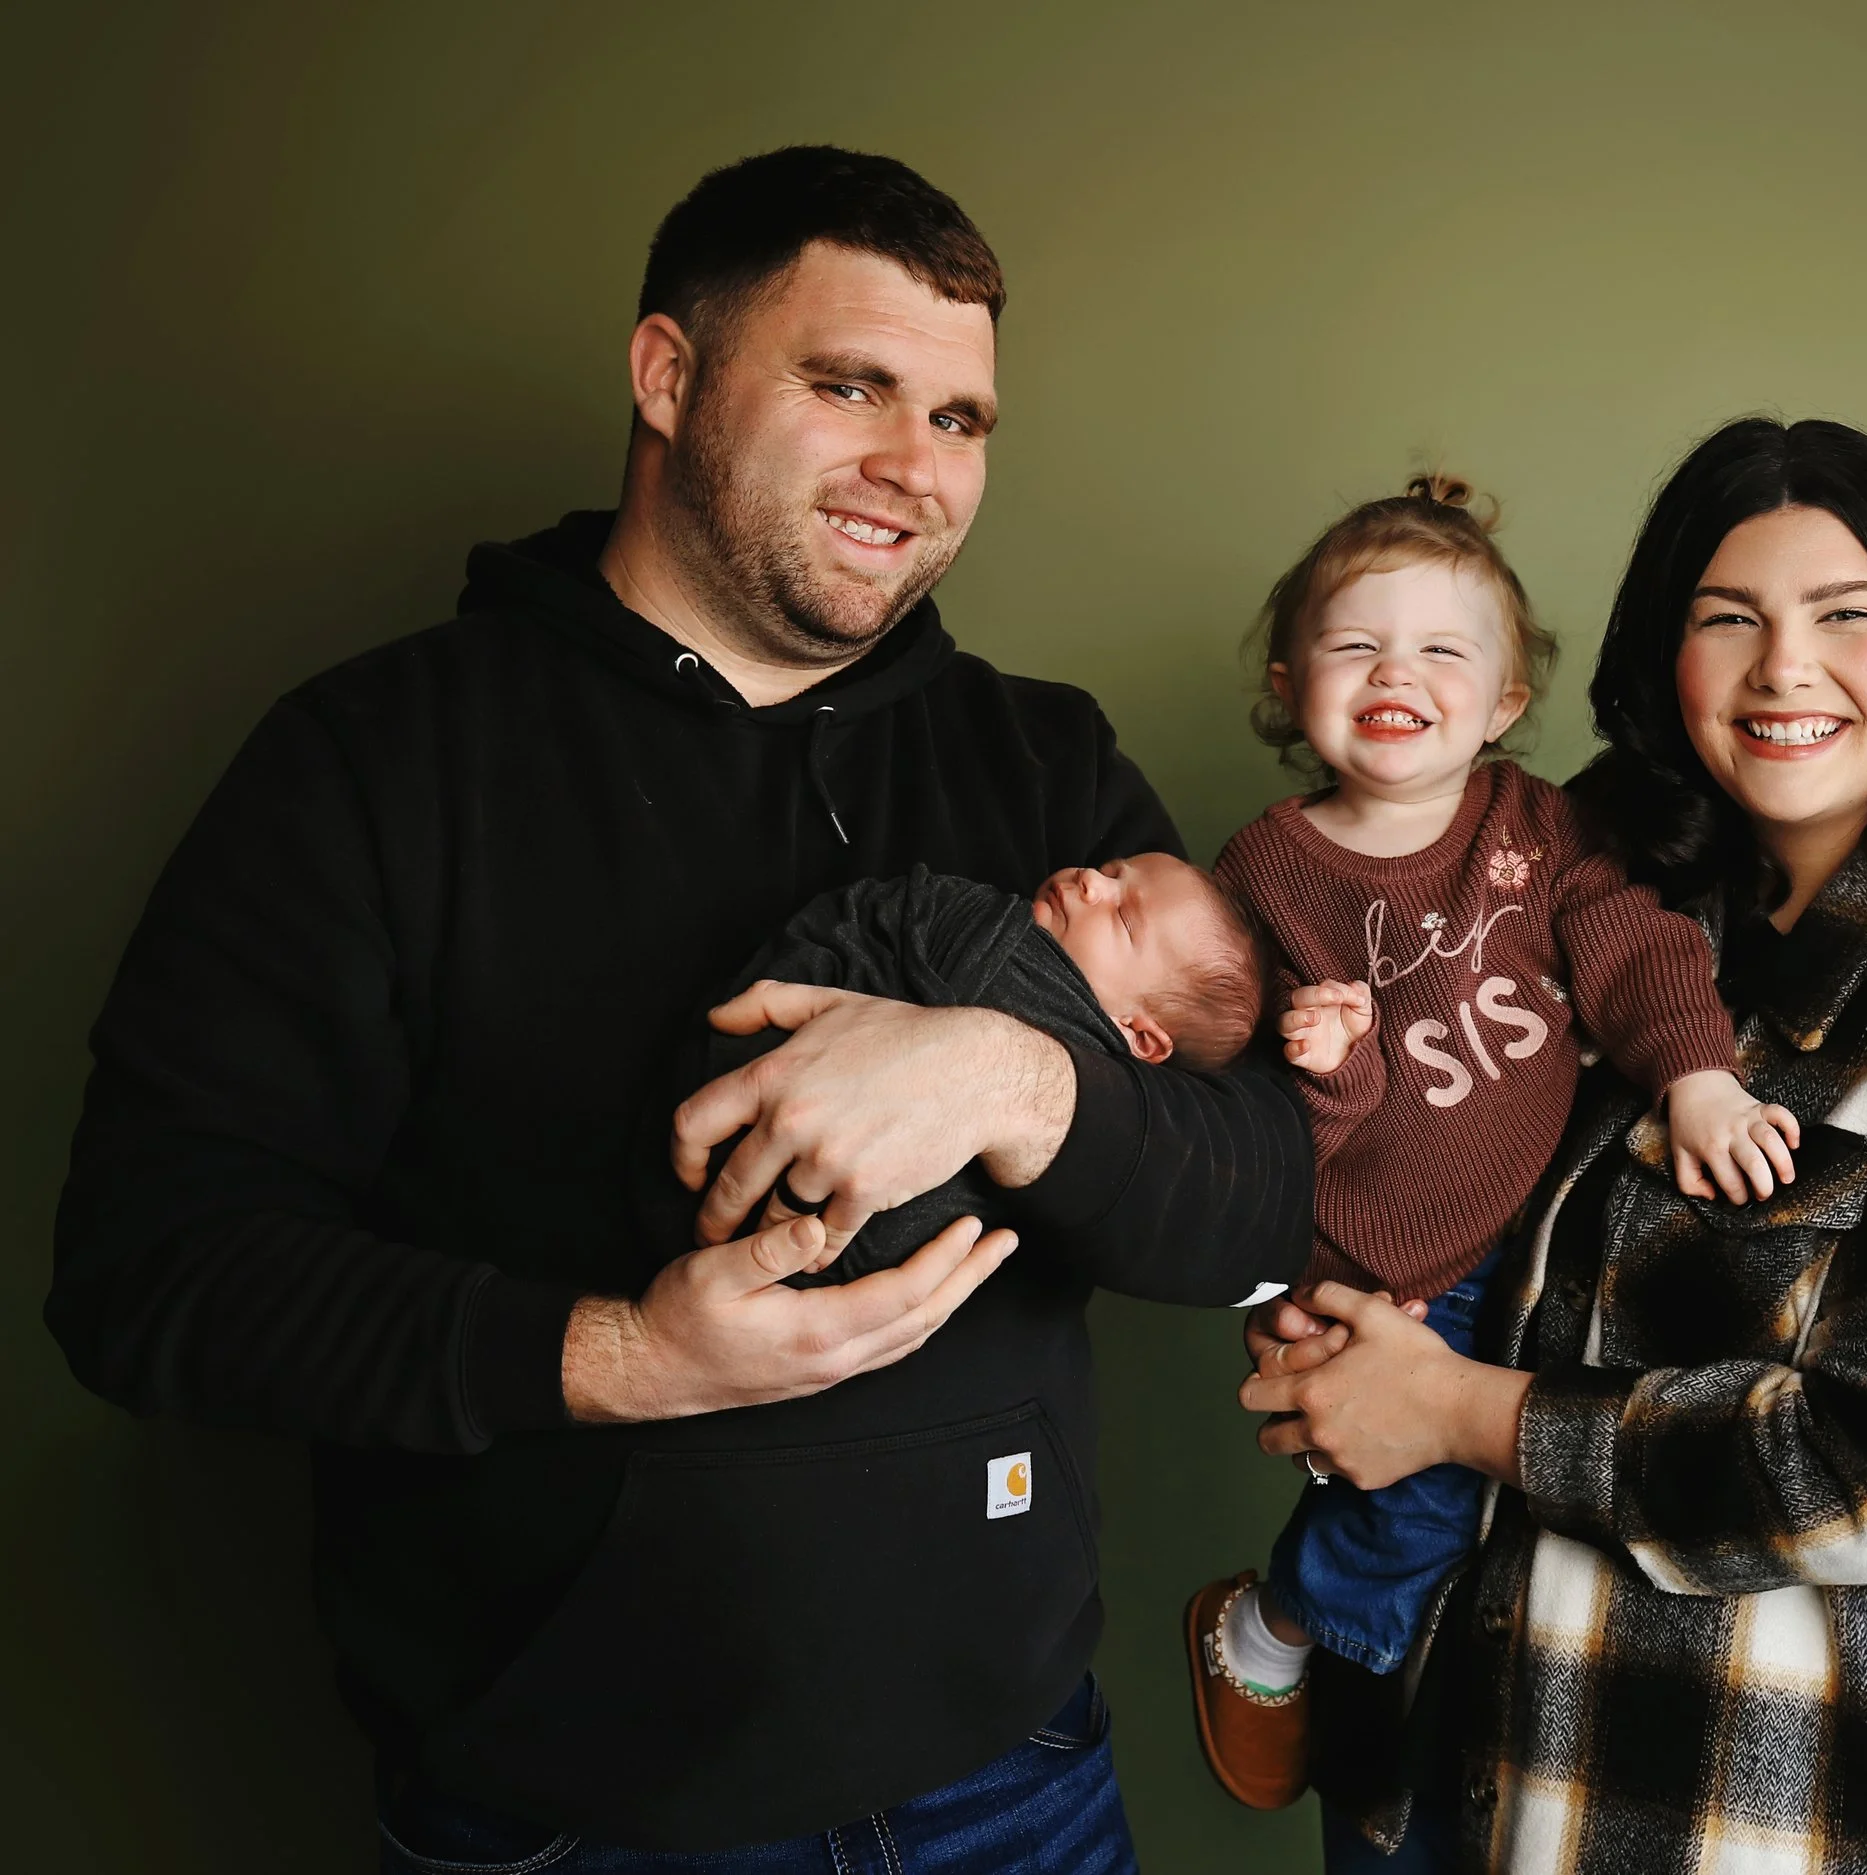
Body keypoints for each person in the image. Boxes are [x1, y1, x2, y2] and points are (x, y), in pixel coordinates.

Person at [46, 146, 1312, 1872]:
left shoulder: (1044, 765)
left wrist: (1011, 1075)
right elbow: (152, 1276)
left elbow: (1258, 1197)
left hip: (1018, 1778)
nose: (914, 464)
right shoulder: (375, 761)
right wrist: (619, 1359)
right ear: (666, 374)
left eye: (959, 418)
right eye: (850, 385)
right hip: (581, 1820)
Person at [1239, 419, 1867, 1873]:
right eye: (1728, 617)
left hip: (1734, 1815)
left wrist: (1455, 1410)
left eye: (1845, 615)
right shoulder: (1617, 895)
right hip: (1439, 1758)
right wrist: (1340, 1306)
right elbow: (1446, 1172)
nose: (1782, 667)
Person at [1183, 476, 1802, 1810]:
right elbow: (1222, 1101)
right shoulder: (1264, 873)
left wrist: (1697, 1077)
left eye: (1441, 650)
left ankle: (1338, 1657)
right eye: (1355, 645)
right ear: (1290, 684)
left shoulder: (1536, 826)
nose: (1395, 673)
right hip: (1355, 1254)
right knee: (1411, 1510)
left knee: (1483, 1510)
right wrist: (1317, 1065)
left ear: (1505, 701)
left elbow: (1633, 951)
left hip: (1523, 1248)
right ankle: (1283, 1635)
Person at [647, 855, 1270, 1279]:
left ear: (1140, 1036)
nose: (1090, 882)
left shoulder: (1013, 963)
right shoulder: (994, 933)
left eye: (1124, 917)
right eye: (1111, 871)